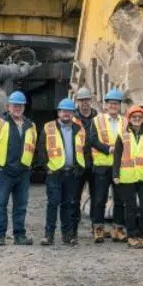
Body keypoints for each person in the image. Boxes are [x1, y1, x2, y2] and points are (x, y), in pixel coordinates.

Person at [0, 90, 37, 246]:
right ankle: (0, 236)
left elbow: (33, 148)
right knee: (1, 205)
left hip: (23, 172)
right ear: (8, 106)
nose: (17, 108)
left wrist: (29, 165)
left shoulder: (30, 126)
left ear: (24, 107)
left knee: (21, 206)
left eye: (20, 106)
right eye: (15, 105)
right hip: (4, 172)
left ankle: (19, 235)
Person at [37, 98, 87, 246]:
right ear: (58, 112)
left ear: (73, 113)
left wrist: (80, 168)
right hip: (55, 173)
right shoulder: (49, 127)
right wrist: (47, 168)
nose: (66, 114)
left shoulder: (79, 129)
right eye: (64, 111)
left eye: (69, 111)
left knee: (68, 204)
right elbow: (41, 150)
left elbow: (85, 149)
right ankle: (49, 235)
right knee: (53, 203)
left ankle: (67, 235)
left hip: (71, 173)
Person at [113, 105, 143, 248]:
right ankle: (132, 236)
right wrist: (115, 174)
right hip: (127, 177)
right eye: (134, 117)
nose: (137, 119)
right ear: (129, 119)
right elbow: (116, 156)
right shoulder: (122, 135)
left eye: (139, 117)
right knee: (131, 208)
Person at [90, 89, 127, 243]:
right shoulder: (97, 120)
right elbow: (92, 140)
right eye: (111, 103)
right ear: (106, 105)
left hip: (119, 166)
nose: (113, 106)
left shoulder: (125, 121)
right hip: (101, 166)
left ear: (120, 106)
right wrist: (108, 149)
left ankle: (117, 229)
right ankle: (98, 229)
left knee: (120, 199)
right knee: (99, 199)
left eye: (116, 103)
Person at [72, 87, 98, 237]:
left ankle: (96, 227)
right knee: (75, 197)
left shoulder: (98, 118)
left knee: (97, 197)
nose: (84, 104)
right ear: (77, 102)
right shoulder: (73, 119)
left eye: (86, 100)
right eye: (81, 101)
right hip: (79, 163)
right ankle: (74, 227)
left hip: (95, 162)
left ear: (91, 101)